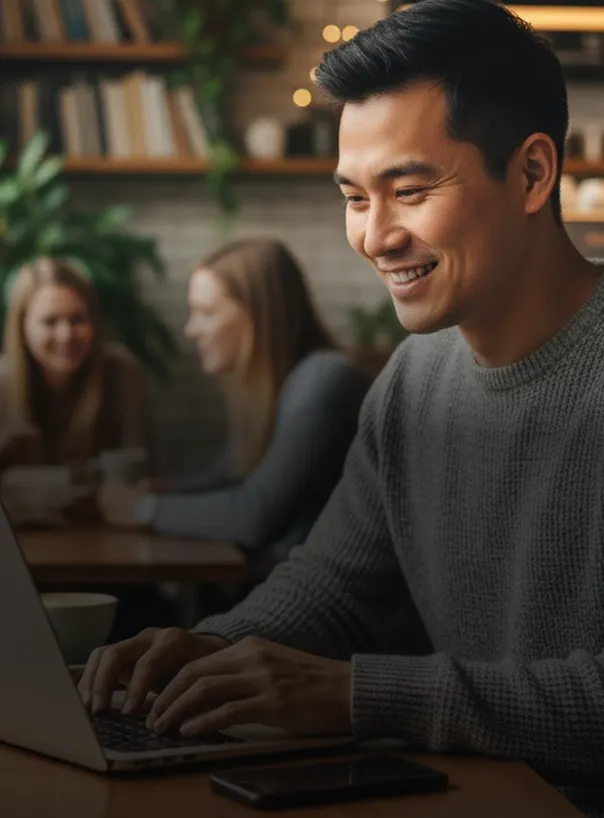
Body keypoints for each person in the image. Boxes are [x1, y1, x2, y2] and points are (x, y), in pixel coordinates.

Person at [80, 2, 604, 814]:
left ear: (533, 174)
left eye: (410, 190)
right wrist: (209, 649)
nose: (375, 235)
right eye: (355, 197)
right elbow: (332, 587)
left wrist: (360, 696)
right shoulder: (412, 381)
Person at [100, 238, 369, 571]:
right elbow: (229, 476)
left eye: (206, 313)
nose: (190, 330)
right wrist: (165, 492)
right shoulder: (273, 388)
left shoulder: (325, 381)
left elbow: (256, 514)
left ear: (259, 316)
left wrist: (144, 509)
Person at [0, 258, 149, 516]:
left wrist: (28, 487)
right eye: (49, 321)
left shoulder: (121, 372)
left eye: (78, 319)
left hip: (106, 534)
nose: (66, 335)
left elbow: (137, 474)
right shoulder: (2, 383)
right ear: (22, 327)